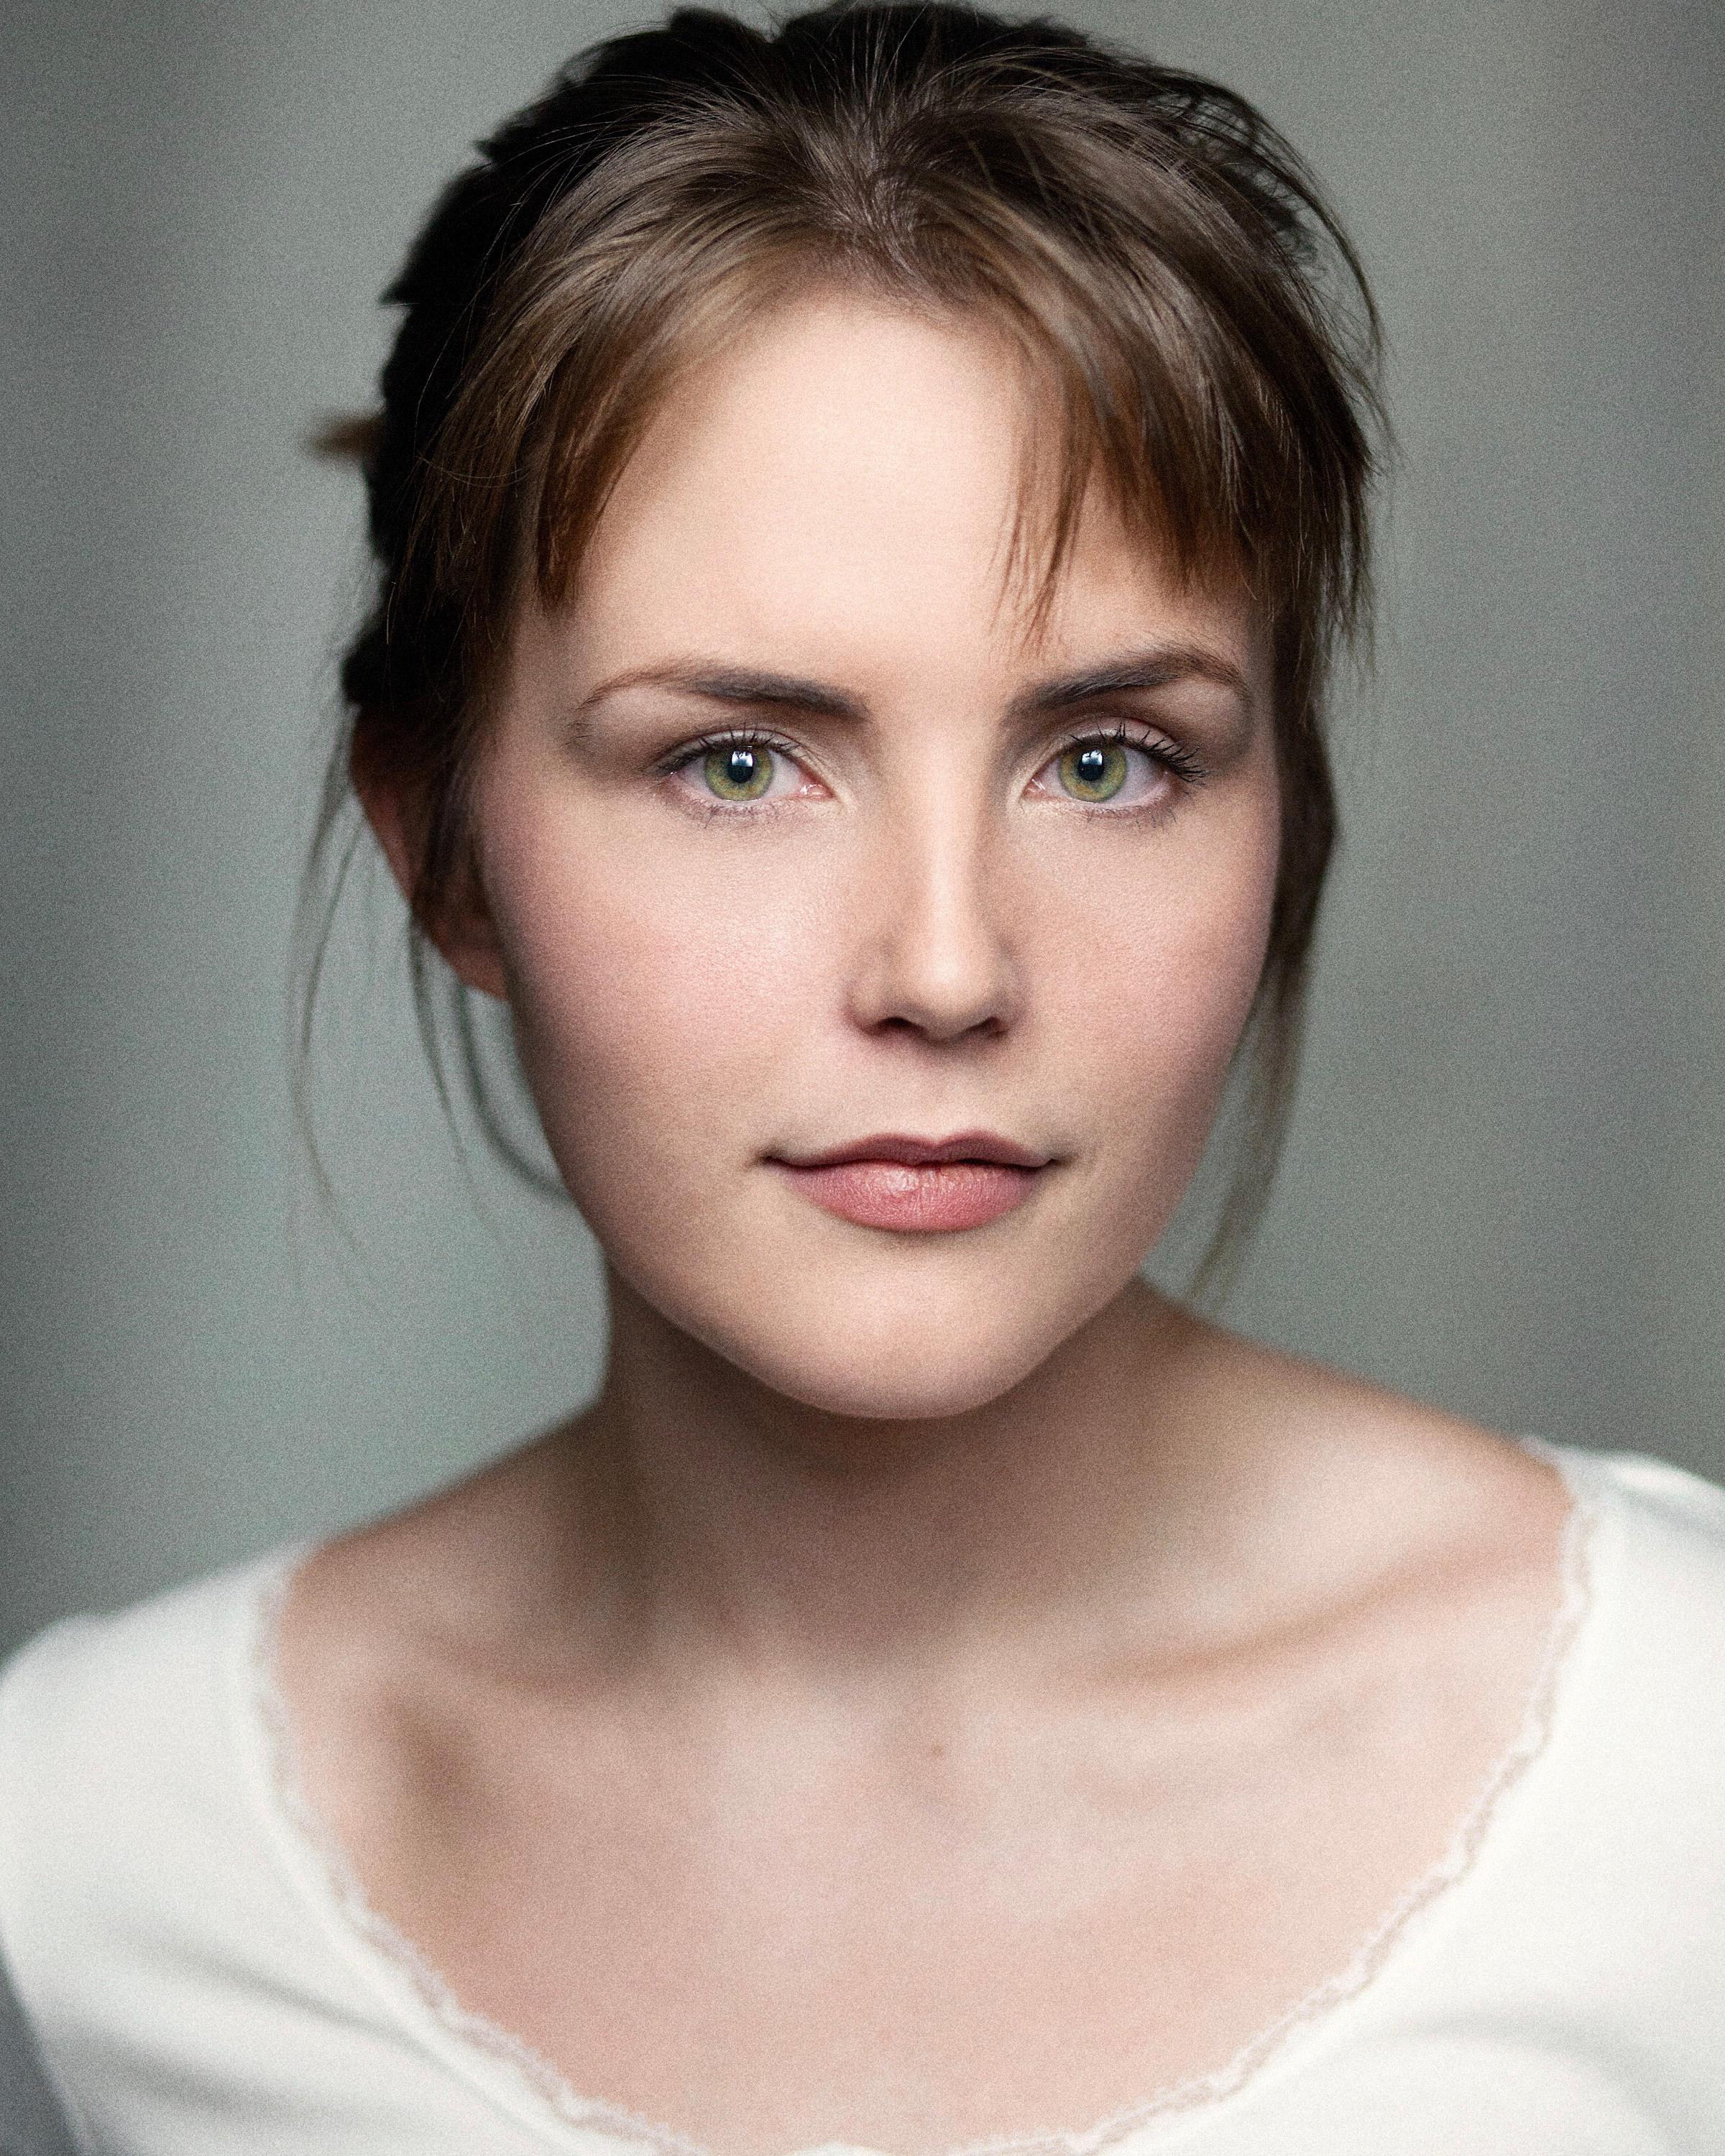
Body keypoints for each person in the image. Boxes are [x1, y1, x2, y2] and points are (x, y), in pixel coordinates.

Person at [1, 4, 1721, 2151]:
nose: (944, 966)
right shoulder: (98, 1843)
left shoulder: (1683, 1763)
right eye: (738, 763)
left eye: (1109, 761)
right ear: (440, 839)